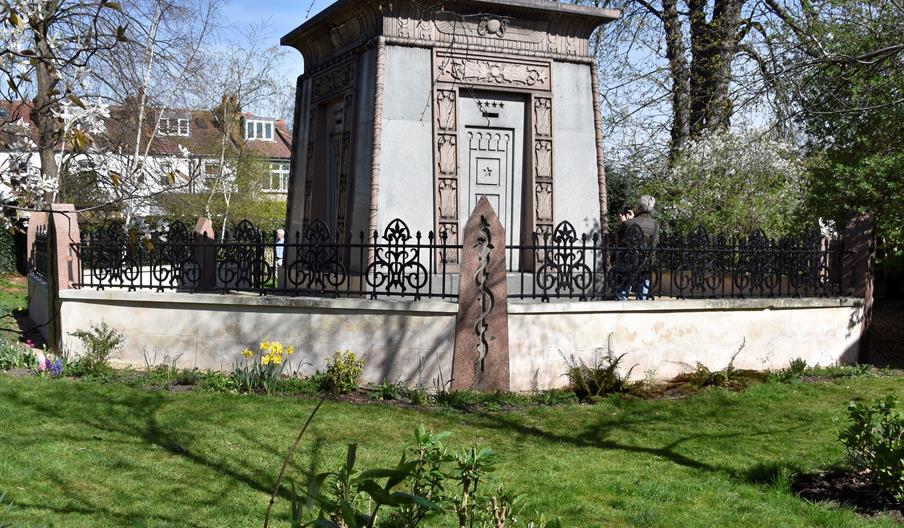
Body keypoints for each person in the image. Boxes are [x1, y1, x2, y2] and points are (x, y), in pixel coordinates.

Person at [617, 195, 659, 300]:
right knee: (642, 298)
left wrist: (624, 223)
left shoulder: (628, 223)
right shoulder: (655, 225)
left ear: (639, 207)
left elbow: (617, 240)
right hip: (645, 264)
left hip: (627, 263)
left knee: (622, 294)